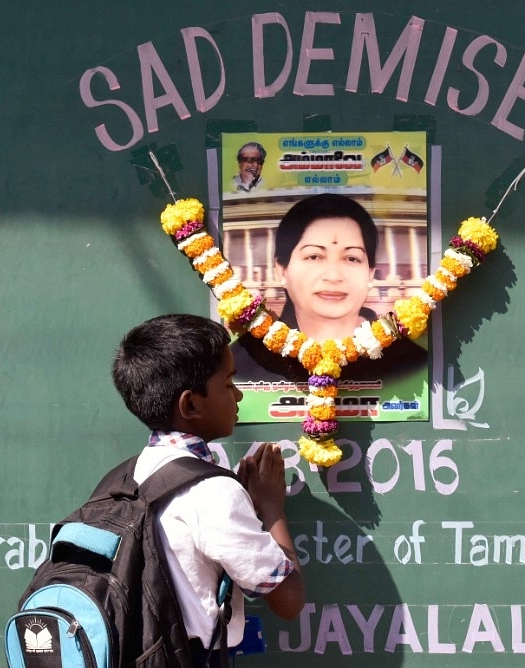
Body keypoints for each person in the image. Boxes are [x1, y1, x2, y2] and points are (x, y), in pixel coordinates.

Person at [111, 313, 305, 667]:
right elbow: (288, 600)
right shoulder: (211, 492)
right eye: (229, 383)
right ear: (190, 405)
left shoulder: (125, 477)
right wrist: (271, 508)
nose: (239, 395)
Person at [232, 193, 427, 382]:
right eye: (314, 256)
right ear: (282, 270)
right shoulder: (242, 362)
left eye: (352, 258)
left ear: (370, 273)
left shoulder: (411, 362)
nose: (333, 276)